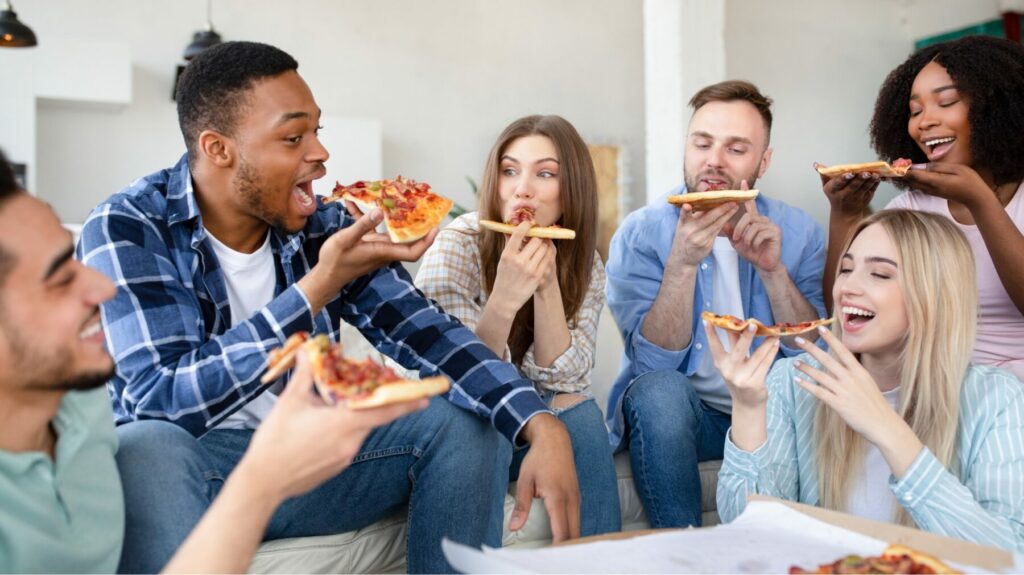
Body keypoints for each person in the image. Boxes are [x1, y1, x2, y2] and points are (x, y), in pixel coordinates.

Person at [76, 42, 579, 573]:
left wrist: (537, 420)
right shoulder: (127, 227)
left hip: (317, 461)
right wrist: (316, 288)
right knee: (144, 447)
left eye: (317, 130)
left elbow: (427, 336)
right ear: (218, 149)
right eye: (294, 137)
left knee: (461, 420)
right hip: (203, 470)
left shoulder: (324, 224)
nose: (320, 153)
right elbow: (159, 400)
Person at [0, 150, 425, 573]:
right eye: (59, 277)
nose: (102, 286)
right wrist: (261, 477)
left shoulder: (89, 414)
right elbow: (160, 401)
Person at [714, 209, 1024, 551]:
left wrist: (888, 430)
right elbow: (750, 537)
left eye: (879, 274)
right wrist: (746, 409)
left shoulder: (996, 398)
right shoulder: (793, 381)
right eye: (846, 269)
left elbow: (1009, 557)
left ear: (935, 294)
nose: (847, 287)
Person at [604, 80, 826, 528]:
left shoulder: (800, 231)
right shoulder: (641, 233)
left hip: (772, 411)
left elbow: (815, 358)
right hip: (690, 416)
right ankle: (685, 551)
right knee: (659, 391)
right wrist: (682, 264)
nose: (714, 161)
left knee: (795, 377)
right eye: (702, 143)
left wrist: (772, 271)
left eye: (736, 148)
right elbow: (651, 367)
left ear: (763, 162)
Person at [415, 114, 620, 536]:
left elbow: (567, 379)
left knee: (578, 412)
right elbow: (453, 380)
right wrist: (506, 298)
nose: (522, 188)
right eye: (510, 171)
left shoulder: (586, 262)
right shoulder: (462, 241)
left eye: (545, 174)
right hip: (464, 423)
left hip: (534, 426)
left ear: (571, 191)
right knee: (478, 425)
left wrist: (546, 288)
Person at [822, 35, 1024, 380]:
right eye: (915, 111)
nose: (924, 122)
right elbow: (846, 316)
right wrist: (845, 214)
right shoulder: (912, 207)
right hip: (935, 391)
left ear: (998, 108)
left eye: (946, 102)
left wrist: (980, 200)